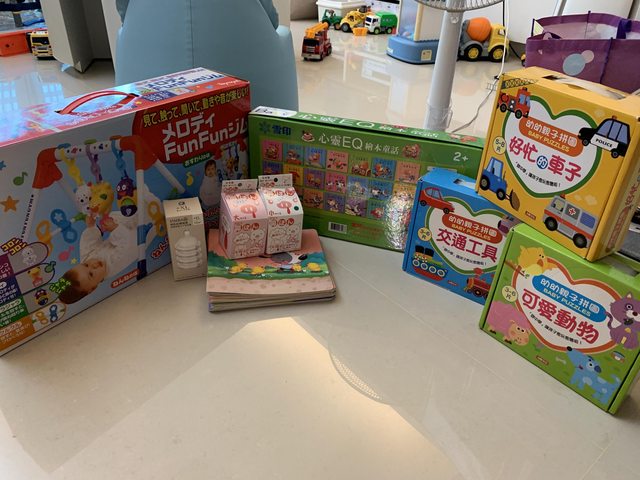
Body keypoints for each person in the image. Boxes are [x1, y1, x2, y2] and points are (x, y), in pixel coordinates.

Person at [58, 187, 157, 304]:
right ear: (93, 288)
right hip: (141, 235)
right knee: (151, 213)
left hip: (126, 228)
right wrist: (115, 229)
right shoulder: (113, 265)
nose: (93, 265)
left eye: (85, 265)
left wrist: (91, 226)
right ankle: (151, 202)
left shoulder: (87, 260)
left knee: (113, 216)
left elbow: (87, 244)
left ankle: (139, 204)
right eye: (91, 274)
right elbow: (127, 245)